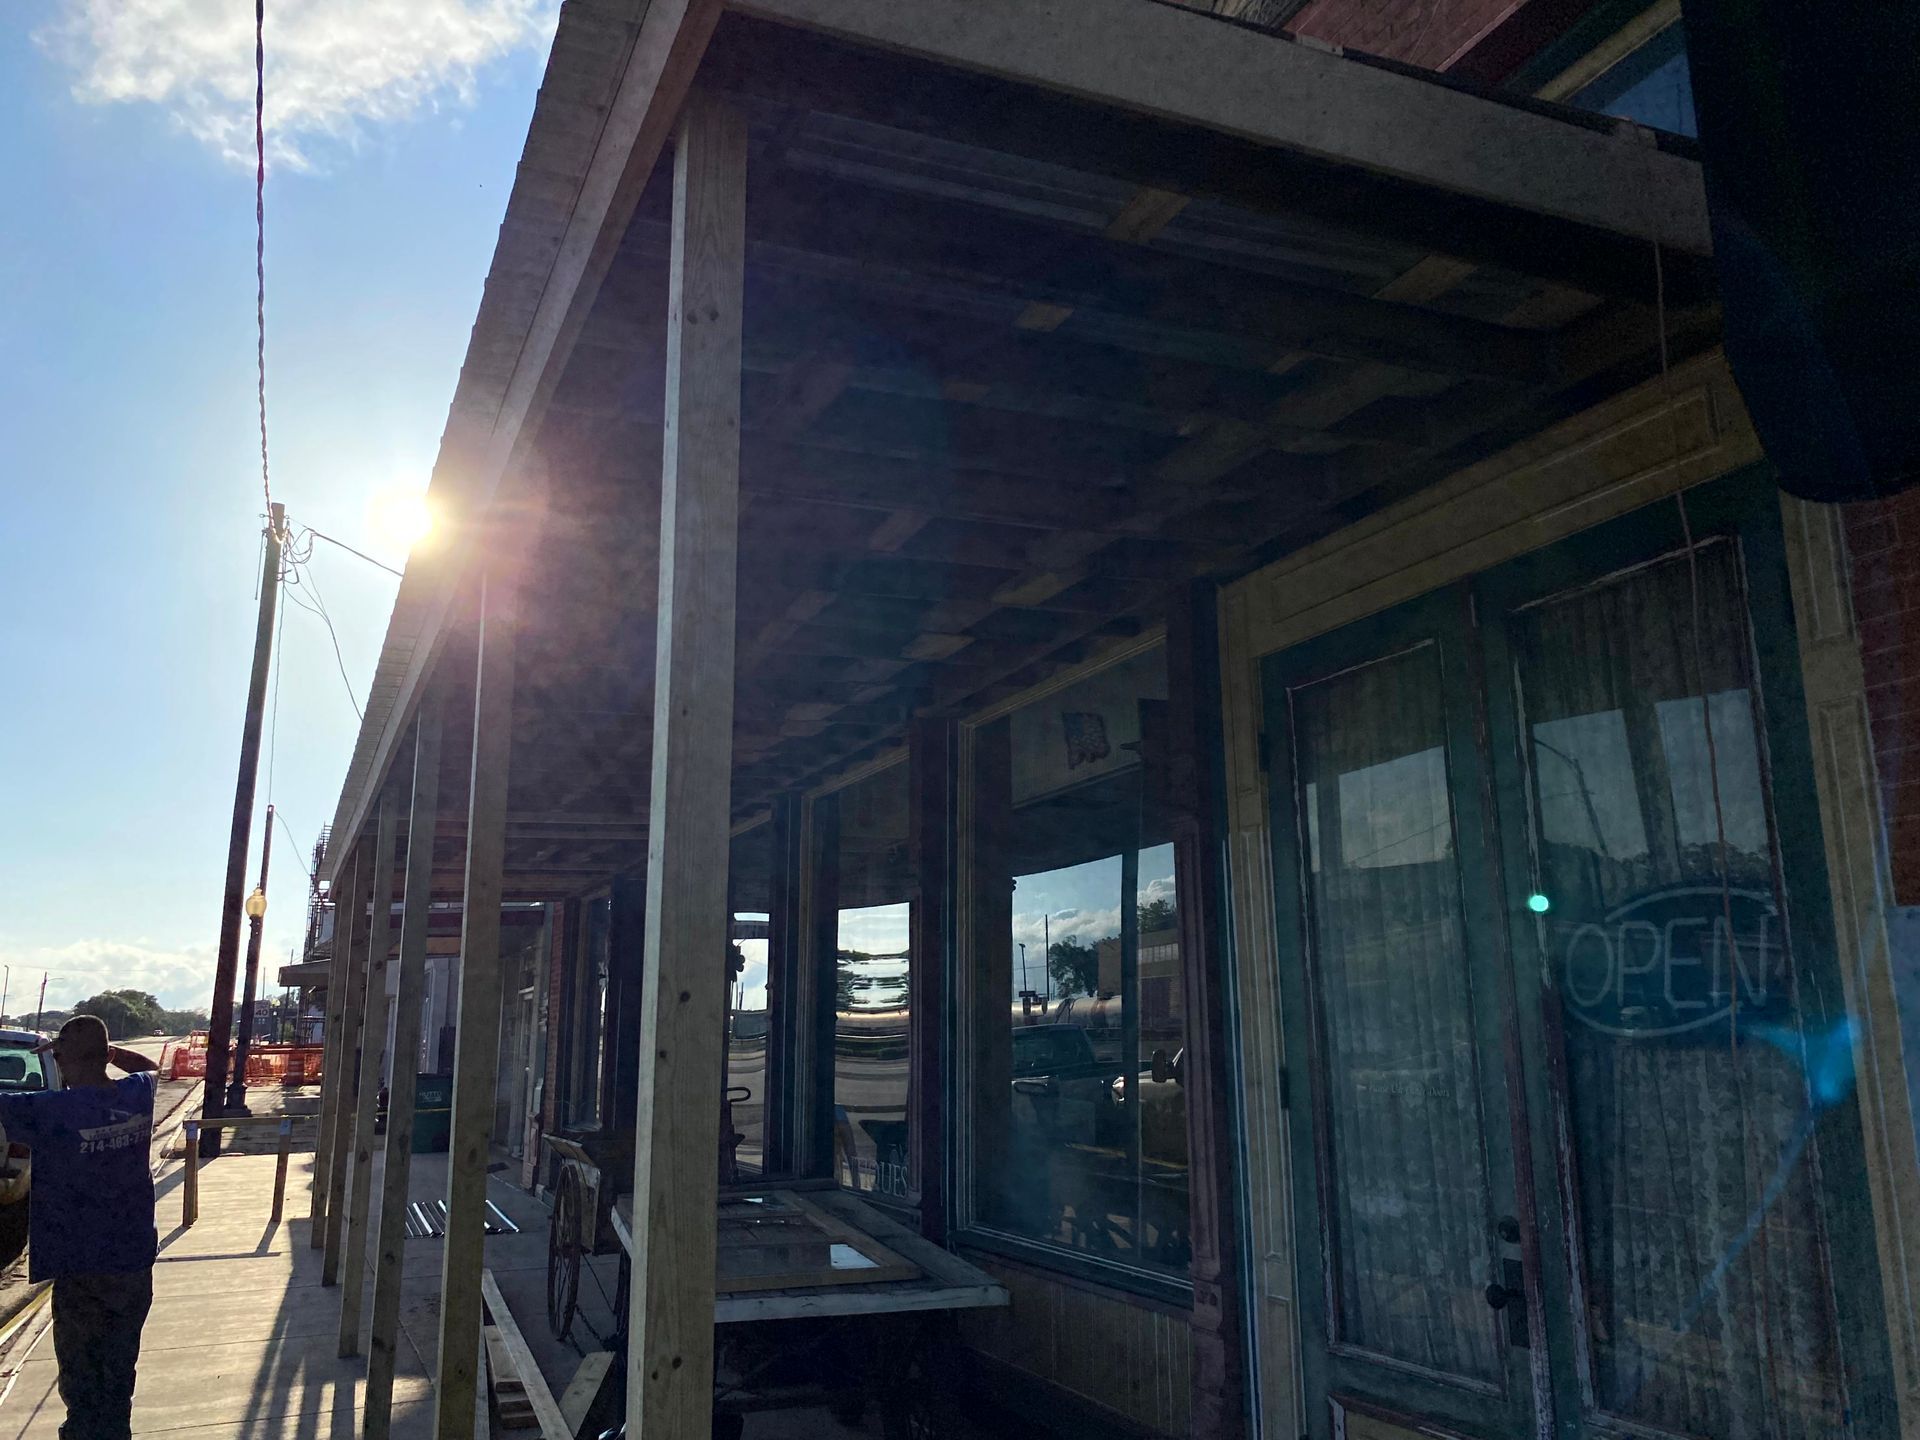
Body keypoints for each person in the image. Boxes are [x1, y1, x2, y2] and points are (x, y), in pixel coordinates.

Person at [0, 1016, 160, 1440]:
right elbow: (150, 1066)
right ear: (107, 1055)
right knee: (119, 1366)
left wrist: (56, 1050)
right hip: (132, 1258)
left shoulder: (51, 1110)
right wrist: (105, 1053)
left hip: (80, 1262)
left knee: (81, 1375)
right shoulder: (137, 1093)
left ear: (61, 1058)